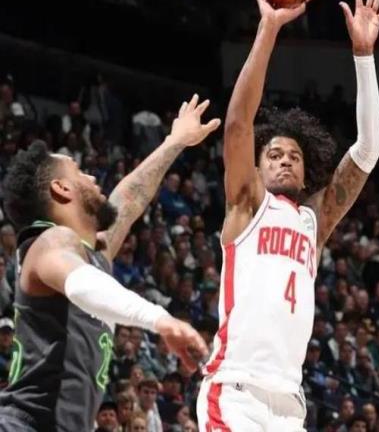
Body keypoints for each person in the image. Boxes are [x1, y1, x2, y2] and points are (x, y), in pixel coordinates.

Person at [197, 0, 379, 429]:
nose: (285, 160)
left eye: (294, 157)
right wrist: (268, 29)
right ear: (257, 168)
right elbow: (238, 124)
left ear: (306, 176)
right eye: (274, 155)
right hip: (236, 390)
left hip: (289, 403)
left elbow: (369, 148)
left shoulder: (312, 222)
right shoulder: (247, 204)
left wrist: (363, 56)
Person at [0, 95, 219, 431]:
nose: (91, 177)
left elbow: (129, 200)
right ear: (61, 188)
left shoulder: (91, 254)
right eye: (79, 171)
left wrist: (174, 142)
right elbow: (80, 283)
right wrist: (160, 319)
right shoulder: (50, 241)